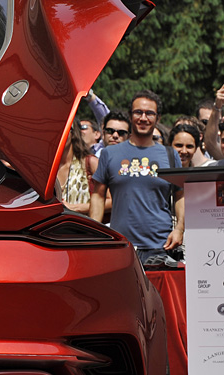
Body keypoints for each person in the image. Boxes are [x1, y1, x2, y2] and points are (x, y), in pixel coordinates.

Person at [90, 91, 184, 264]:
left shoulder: (170, 155)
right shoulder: (110, 153)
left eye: (149, 113)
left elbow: (180, 195)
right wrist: (96, 232)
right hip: (121, 245)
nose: (143, 118)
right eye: (138, 112)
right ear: (130, 115)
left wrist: (180, 228)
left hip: (161, 246)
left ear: (158, 118)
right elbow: (98, 195)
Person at [57, 123, 99, 216]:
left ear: (73, 133)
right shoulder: (46, 169)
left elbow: (112, 201)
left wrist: (75, 208)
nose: (59, 133)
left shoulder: (90, 162)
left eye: (64, 129)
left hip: (83, 227)